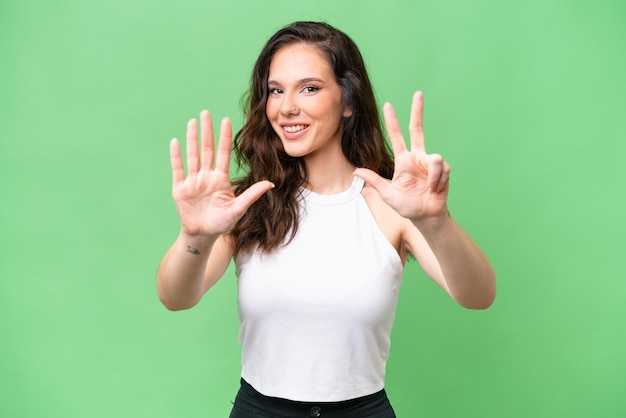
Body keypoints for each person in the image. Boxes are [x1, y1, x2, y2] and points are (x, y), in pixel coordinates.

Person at [156, 21, 495, 418]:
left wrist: (436, 222)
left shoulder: (391, 204)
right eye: (275, 90)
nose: (286, 107)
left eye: (310, 88)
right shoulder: (246, 202)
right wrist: (193, 235)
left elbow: (478, 296)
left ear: (347, 101)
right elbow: (175, 298)